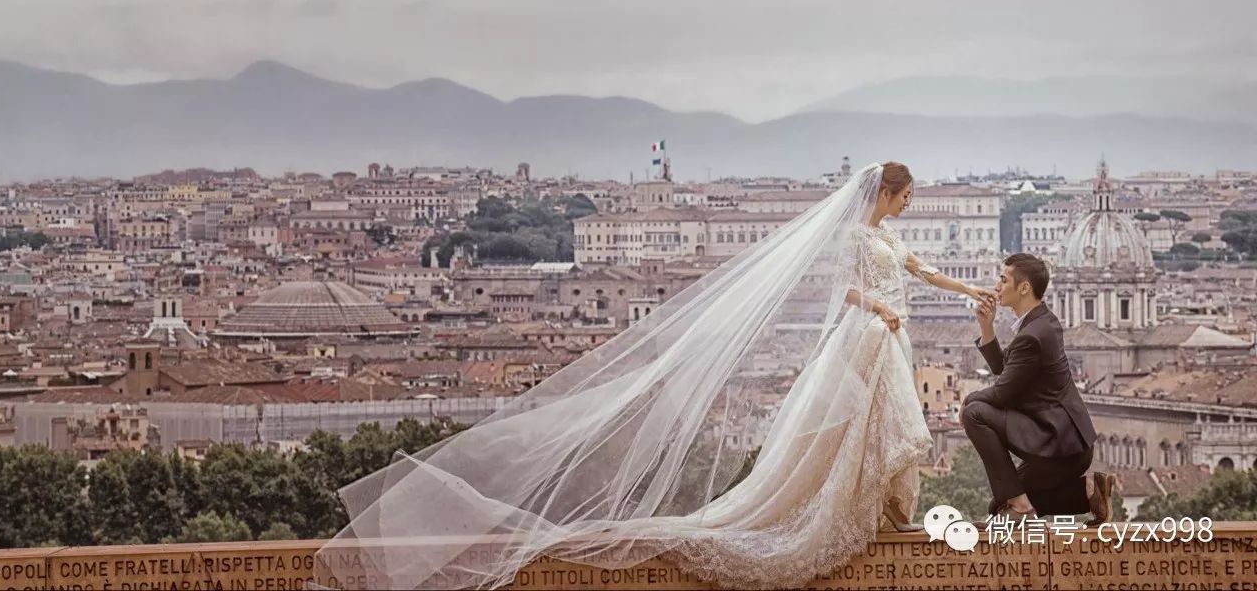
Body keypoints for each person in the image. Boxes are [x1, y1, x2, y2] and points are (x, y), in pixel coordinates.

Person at [314, 162, 995, 591]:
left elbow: (922, 272)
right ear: (891, 194)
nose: (911, 206)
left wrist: (969, 297)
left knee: (890, 423)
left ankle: (884, 511)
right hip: (870, 333)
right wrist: (875, 304)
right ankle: (870, 511)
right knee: (867, 423)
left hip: (891, 336)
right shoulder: (851, 239)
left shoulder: (892, 238)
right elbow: (842, 291)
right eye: (908, 197)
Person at [960, 253, 1115, 523]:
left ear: (1024, 288)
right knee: (997, 506)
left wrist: (967, 400)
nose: (997, 285)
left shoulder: (1032, 334)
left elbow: (1001, 393)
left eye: (1003, 279)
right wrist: (986, 327)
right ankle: (1089, 493)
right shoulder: (1043, 322)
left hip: (1057, 445)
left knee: (974, 412)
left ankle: (1020, 507)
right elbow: (1005, 371)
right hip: (1069, 444)